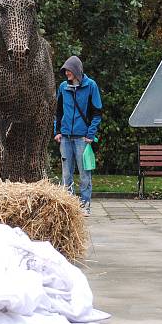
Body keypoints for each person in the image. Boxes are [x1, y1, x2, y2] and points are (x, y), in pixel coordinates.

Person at [53, 56, 102, 215]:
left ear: (77, 70)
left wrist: (90, 134)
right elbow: (58, 112)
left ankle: (85, 205)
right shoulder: (63, 87)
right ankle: (68, 206)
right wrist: (58, 131)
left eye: (69, 70)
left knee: (84, 174)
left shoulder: (91, 86)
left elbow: (97, 113)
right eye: (65, 70)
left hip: (82, 138)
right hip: (65, 137)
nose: (66, 73)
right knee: (66, 174)